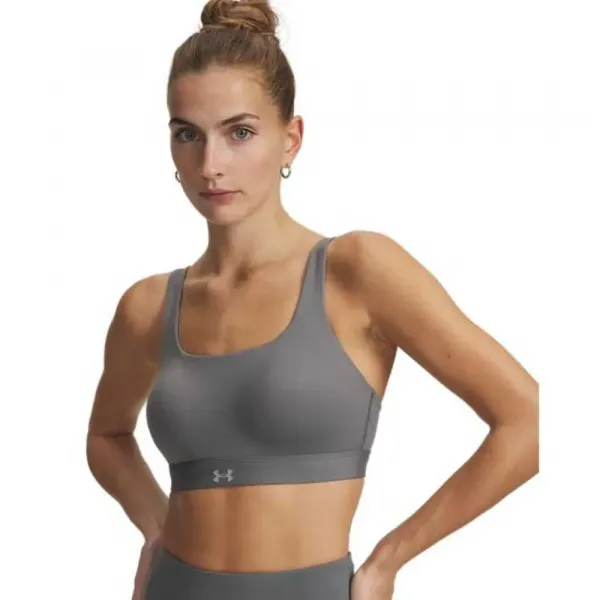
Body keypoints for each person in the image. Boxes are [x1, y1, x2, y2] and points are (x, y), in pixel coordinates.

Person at [86, 1, 539, 599]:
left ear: (291, 139)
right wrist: (155, 524)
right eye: (188, 134)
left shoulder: (356, 271)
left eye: (240, 132)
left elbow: (528, 421)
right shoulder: (147, 306)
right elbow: (107, 437)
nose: (211, 165)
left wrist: (387, 562)